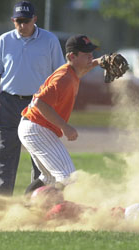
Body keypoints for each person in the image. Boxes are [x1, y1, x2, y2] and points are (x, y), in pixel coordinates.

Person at [0, 1, 65, 196]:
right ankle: (2, 204)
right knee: (6, 155)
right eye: (18, 21)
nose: (22, 25)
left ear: (35, 19)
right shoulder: (4, 41)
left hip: (39, 105)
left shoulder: (49, 40)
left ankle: (35, 202)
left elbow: (60, 75)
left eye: (26, 21)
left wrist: (57, 107)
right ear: (13, 20)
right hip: (9, 103)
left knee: (41, 157)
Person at [18, 34, 103, 193]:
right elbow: (40, 103)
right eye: (86, 54)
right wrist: (65, 127)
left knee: (48, 178)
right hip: (36, 128)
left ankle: (25, 208)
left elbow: (84, 68)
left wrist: (99, 62)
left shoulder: (71, 72)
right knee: (68, 178)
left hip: (33, 126)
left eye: (91, 52)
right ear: (72, 56)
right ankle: (57, 213)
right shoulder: (64, 78)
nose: (91, 56)